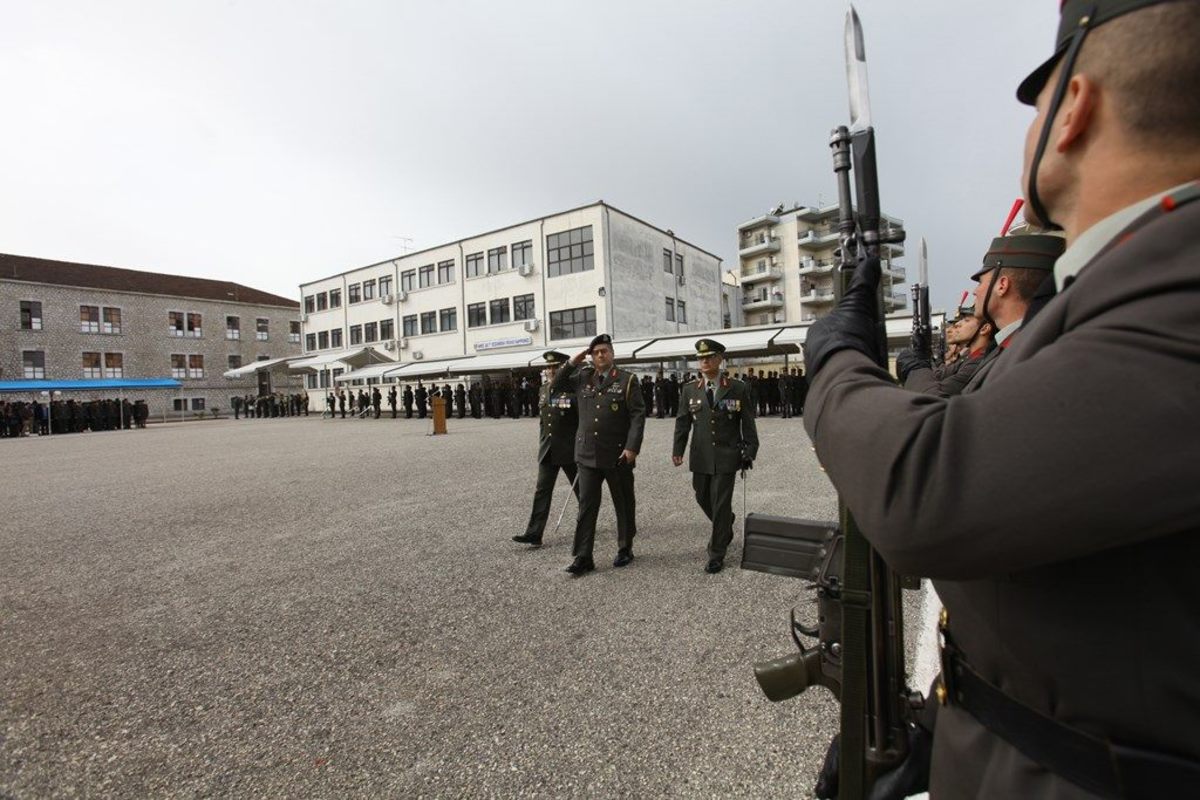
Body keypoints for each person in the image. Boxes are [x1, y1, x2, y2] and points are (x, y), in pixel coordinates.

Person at [802, 2, 1200, 796]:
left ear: (1073, 109)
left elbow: (927, 487)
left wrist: (837, 360)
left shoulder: (1175, 285)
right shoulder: (1131, 283)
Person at [551, 333, 645, 575]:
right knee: (586, 506)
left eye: (604, 351)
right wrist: (573, 361)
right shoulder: (582, 377)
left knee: (623, 503)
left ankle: (625, 547)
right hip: (587, 454)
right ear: (590, 356)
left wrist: (632, 447)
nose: (600, 355)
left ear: (612, 354)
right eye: (596, 352)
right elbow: (556, 385)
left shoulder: (627, 380)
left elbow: (637, 415)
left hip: (617, 455)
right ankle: (583, 556)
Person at [671, 339, 759, 573]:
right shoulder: (690, 389)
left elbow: (748, 422)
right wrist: (677, 450)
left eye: (709, 357)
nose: (704, 361)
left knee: (720, 503)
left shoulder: (737, 387)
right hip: (700, 455)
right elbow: (682, 422)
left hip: (727, 454)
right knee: (702, 497)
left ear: (720, 359)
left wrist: (750, 450)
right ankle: (725, 525)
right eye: (701, 358)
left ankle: (716, 552)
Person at [512, 351, 581, 546]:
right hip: (548, 450)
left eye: (555, 366)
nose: (551, 370)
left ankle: (587, 524)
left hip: (569, 450)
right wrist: (542, 443)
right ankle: (534, 533)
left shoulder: (574, 389)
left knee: (583, 492)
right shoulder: (543, 390)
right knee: (541, 491)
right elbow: (544, 421)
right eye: (548, 367)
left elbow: (582, 421)